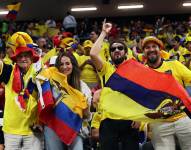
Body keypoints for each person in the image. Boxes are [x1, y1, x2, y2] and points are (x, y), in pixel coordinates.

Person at [90, 20, 140, 150]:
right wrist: (103, 33)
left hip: (129, 119)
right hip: (108, 120)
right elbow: (93, 54)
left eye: (120, 48)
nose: (116, 50)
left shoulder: (135, 70)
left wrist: (140, 117)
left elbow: (140, 95)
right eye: (113, 49)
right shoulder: (106, 69)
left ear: (125, 52)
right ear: (110, 53)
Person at [142, 36, 191, 150]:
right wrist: (145, 123)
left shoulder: (174, 64)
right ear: (143, 52)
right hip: (159, 122)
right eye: (147, 47)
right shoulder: (141, 72)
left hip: (183, 117)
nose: (151, 49)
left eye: (154, 46)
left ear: (160, 49)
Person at [39, 51, 91, 150]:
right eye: (61, 64)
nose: (64, 67)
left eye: (67, 63)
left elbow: (87, 116)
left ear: (73, 65)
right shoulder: (50, 83)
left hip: (75, 127)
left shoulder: (82, 87)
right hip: (53, 126)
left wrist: (86, 109)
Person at [0, 32, 40, 150]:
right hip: (11, 130)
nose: (23, 58)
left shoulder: (40, 73)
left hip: (32, 129)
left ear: (32, 57)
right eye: (20, 56)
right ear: (15, 58)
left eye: (26, 55)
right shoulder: (9, 71)